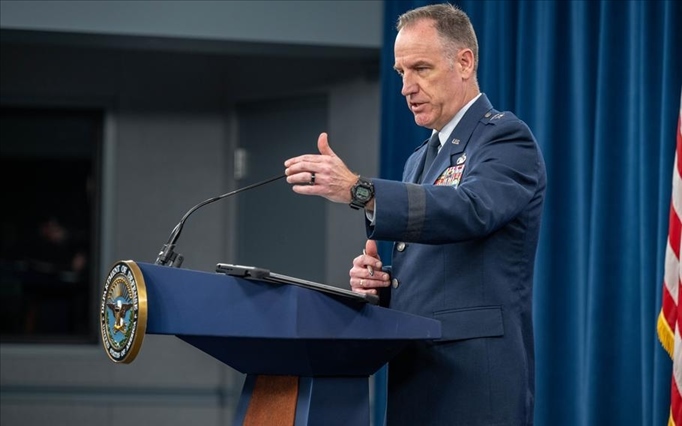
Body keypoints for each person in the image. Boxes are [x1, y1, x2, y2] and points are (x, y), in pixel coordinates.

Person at [284, 3, 546, 425]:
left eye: (421, 68)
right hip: (416, 369)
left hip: (474, 377)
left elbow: (471, 210)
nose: (407, 87)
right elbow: (440, 271)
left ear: (465, 62)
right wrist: (384, 285)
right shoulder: (419, 159)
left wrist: (360, 191)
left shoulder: (504, 138)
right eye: (401, 72)